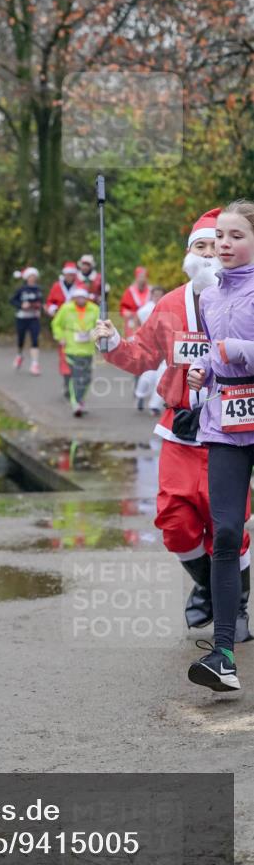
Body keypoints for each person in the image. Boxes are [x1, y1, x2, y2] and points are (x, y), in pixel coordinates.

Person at [93, 207, 252, 640]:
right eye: (200, 246)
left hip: (233, 428)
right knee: (175, 521)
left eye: (214, 244)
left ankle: (235, 606)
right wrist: (111, 344)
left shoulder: (243, 297)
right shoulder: (169, 306)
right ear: (189, 255)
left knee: (228, 526)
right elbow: (141, 356)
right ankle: (207, 586)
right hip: (181, 430)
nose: (208, 253)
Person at [186, 199, 254, 691]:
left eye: (236, 236)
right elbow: (213, 355)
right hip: (226, 423)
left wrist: (241, 351)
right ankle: (223, 655)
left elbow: (237, 350)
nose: (224, 245)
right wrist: (203, 370)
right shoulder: (209, 297)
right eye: (220, 237)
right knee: (225, 532)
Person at [50, 285, 99, 416]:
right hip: (71, 348)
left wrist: (96, 335)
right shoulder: (66, 308)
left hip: (88, 349)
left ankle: (80, 400)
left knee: (87, 378)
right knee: (77, 377)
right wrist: (60, 337)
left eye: (83, 297)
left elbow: (100, 325)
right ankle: (76, 403)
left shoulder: (94, 309)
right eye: (78, 297)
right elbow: (56, 324)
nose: (81, 300)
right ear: (74, 297)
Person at [45, 261, 79, 397]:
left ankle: (75, 383)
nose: (70, 277)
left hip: (78, 325)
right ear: (64, 275)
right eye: (68, 274)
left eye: (72, 274)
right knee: (64, 355)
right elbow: (49, 302)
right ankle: (67, 383)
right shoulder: (56, 286)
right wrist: (52, 309)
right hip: (62, 324)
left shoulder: (79, 286)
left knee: (77, 355)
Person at [133, 285, 166, 414]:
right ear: (151, 296)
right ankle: (140, 395)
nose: (158, 297)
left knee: (162, 376)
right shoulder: (144, 310)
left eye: (160, 294)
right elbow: (136, 323)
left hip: (165, 348)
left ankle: (155, 405)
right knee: (148, 376)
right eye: (155, 295)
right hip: (149, 347)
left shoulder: (169, 307)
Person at [10, 266, 43, 374]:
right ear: (26, 278)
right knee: (21, 339)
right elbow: (12, 300)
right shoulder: (21, 289)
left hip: (34, 318)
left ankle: (35, 364)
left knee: (34, 340)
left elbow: (41, 302)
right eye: (30, 276)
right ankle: (19, 355)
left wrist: (39, 307)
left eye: (34, 276)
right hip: (22, 318)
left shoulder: (38, 289)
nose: (32, 278)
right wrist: (21, 305)